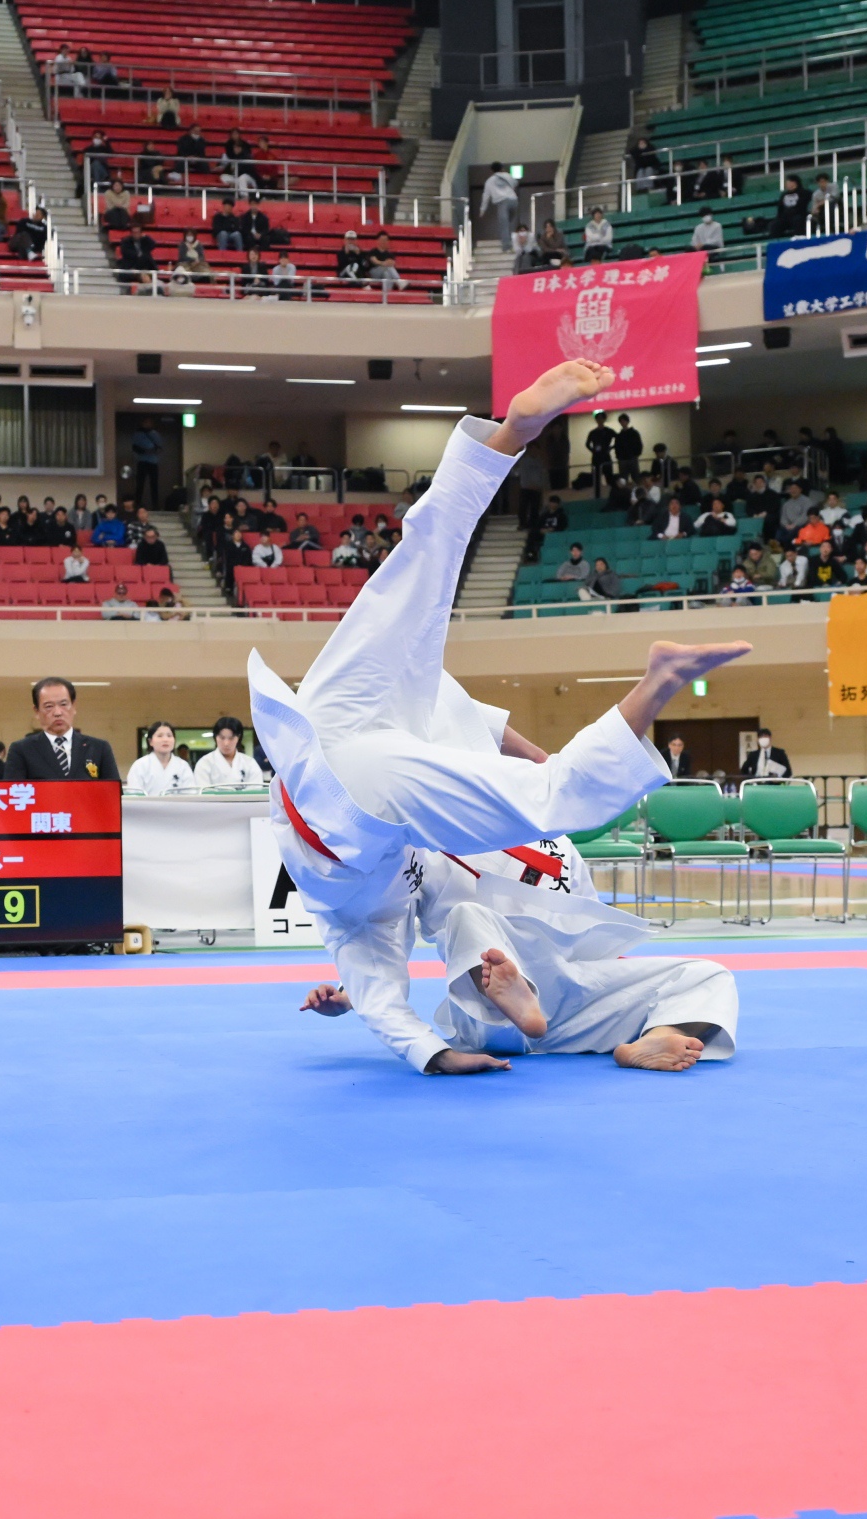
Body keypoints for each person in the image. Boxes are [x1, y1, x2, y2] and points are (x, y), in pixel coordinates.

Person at [249, 360, 751, 1075]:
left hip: (345, 747)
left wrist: (424, 1047)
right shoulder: (407, 883)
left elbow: (379, 985)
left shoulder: (451, 863)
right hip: (352, 781)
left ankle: (515, 431)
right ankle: (516, 438)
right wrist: (427, 1049)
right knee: (424, 564)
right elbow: (377, 982)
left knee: (426, 562)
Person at [300, 833, 737, 1073]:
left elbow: (587, 927)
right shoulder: (429, 847)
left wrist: (621, 989)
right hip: (489, 1009)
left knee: (708, 973)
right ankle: (515, 997)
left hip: (567, 994)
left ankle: (653, 1037)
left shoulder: (558, 843)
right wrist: (350, 992)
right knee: (468, 917)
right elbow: (390, 938)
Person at [4, 677, 122, 781]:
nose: (58, 712)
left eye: (64, 704)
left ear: (74, 707)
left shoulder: (99, 748)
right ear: (36, 711)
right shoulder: (22, 750)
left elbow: (113, 793)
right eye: (49, 706)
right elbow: (13, 793)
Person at [126, 720, 197, 796]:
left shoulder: (183, 766)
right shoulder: (140, 765)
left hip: (177, 804)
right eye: (160, 736)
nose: (165, 739)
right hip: (147, 804)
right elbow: (134, 794)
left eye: (169, 736)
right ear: (150, 741)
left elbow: (190, 794)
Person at [192, 715, 264, 788]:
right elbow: (202, 791)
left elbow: (256, 789)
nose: (226, 743)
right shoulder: (205, 763)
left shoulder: (250, 763)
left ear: (238, 738)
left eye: (231, 738)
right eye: (222, 738)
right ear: (215, 737)